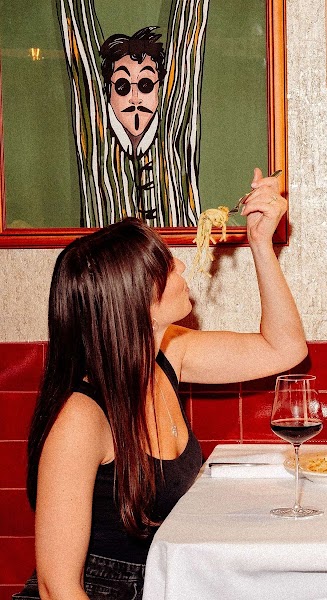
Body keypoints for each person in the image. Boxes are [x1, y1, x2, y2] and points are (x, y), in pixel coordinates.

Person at [13, 169, 306, 599]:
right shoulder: (80, 419)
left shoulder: (169, 354)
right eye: (166, 265)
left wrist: (260, 244)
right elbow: (57, 588)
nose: (182, 264)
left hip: (161, 583)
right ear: (134, 301)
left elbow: (285, 349)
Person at [58, 0, 209, 227]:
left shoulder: (174, 133)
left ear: (159, 89)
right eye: (122, 86)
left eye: (146, 85)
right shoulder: (96, 136)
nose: (135, 97)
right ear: (108, 91)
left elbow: (188, 49)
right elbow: (80, 49)